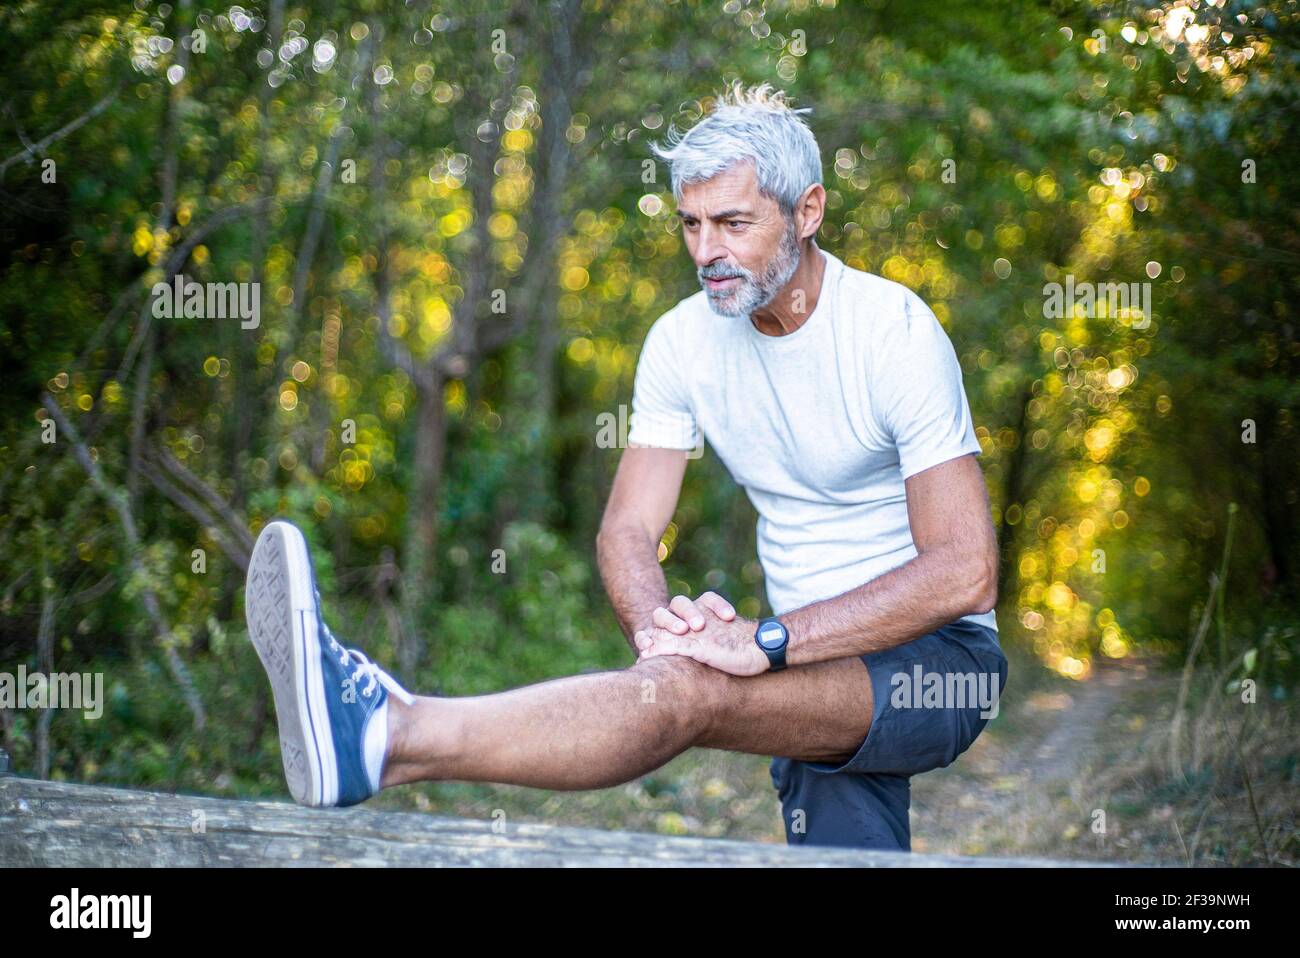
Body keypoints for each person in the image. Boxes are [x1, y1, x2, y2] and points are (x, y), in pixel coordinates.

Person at [244, 81, 1007, 850]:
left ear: (807, 211)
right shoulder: (682, 342)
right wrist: (658, 630)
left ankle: (386, 733)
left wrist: (767, 641)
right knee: (837, 847)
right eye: (691, 224)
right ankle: (380, 735)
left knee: (688, 694)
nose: (706, 252)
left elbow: (965, 570)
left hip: (941, 665)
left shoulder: (891, 333)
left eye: (733, 223)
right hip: (809, 666)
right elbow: (628, 529)